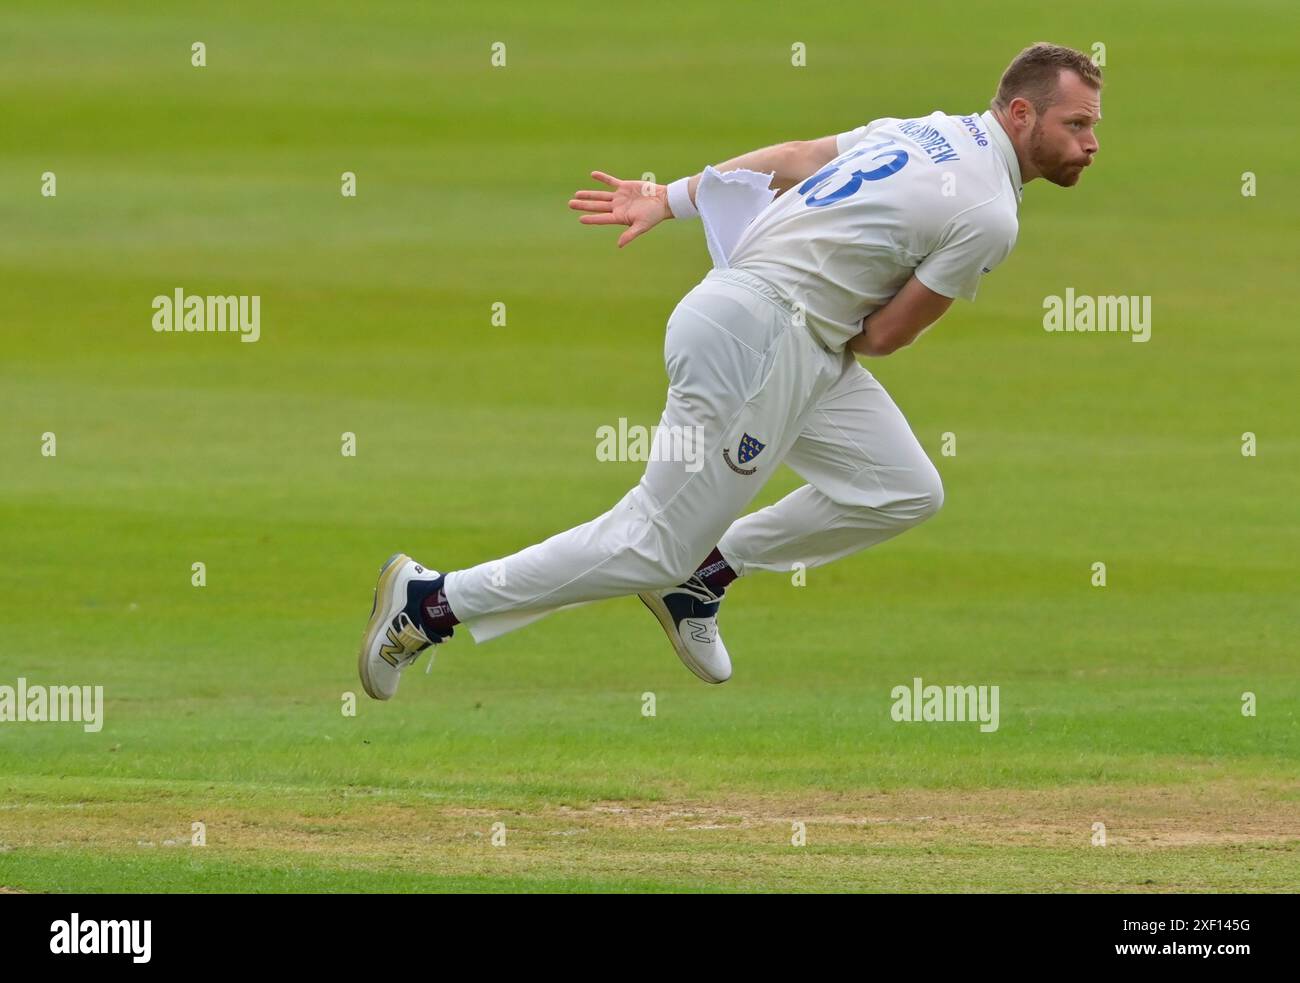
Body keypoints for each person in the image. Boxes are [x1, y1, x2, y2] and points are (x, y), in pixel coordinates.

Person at [356, 41, 1102, 701]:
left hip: (784, 332)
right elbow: (883, 337)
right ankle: (430, 603)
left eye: (1094, 125)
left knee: (901, 488)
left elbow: (800, 156)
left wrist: (669, 198)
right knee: (650, 540)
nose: (1091, 142)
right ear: (1017, 115)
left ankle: (704, 576)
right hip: (764, 337)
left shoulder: (928, 130)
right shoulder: (990, 213)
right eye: (1076, 124)